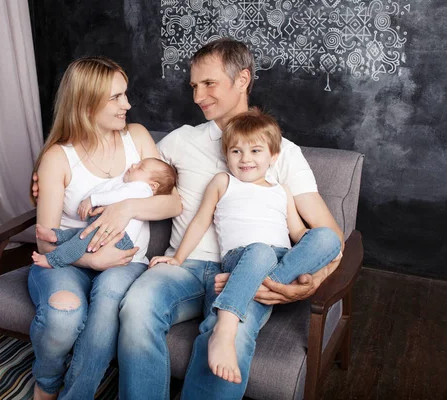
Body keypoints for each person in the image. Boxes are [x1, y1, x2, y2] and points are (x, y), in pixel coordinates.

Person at [115, 38, 345, 400]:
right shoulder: (181, 141)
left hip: (248, 272)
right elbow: (129, 171)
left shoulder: (281, 152)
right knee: (137, 306)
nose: (197, 96)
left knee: (230, 334)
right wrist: (62, 176)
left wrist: (311, 281)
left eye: (208, 84)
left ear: (242, 80)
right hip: (185, 266)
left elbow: (328, 234)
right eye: (193, 86)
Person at [148, 109, 341, 384]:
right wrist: (178, 258)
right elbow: (200, 221)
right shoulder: (223, 182)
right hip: (243, 256)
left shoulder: (280, 190)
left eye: (255, 150)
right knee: (260, 250)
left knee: (328, 237)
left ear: (273, 156)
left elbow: (297, 231)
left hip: (281, 263)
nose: (245, 158)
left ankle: (245, 284)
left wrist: (319, 245)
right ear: (226, 155)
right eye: (236, 151)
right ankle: (224, 330)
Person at [28, 56, 182, 400]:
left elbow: (173, 202)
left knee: (108, 303)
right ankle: (47, 383)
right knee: (64, 314)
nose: (127, 104)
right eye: (116, 97)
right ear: (85, 103)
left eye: (125, 94)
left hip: (126, 261)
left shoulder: (137, 138)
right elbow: (45, 243)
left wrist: (125, 207)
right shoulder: (58, 157)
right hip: (68, 259)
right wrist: (92, 262)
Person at [32, 157, 177, 269]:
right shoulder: (132, 185)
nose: (133, 165)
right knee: (79, 234)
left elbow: (117, 194)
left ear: (153, 185)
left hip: (118, 238)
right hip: (109, 231)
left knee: (81, 240)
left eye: (140, 167)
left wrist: (92, 200)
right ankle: (56, 235)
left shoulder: (142, 189)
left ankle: (53, 260)